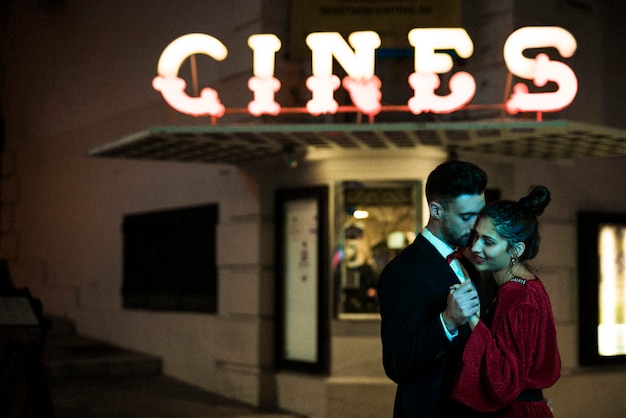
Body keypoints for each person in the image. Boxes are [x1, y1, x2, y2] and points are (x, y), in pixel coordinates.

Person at [377, 160, 487, 417]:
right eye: (467, 217)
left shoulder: (469, 264)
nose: (476, 226)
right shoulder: (404, 270)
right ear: (436, 210)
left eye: (480, 215)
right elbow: (396, 364)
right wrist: (446, 322)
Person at [450, 185, 561, 417]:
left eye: (488, 242)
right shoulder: (527, 286)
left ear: (516, 250)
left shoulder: (518, 296)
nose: (476, 247)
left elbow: (504, 378)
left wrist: (470, 316)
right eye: (476, 236)